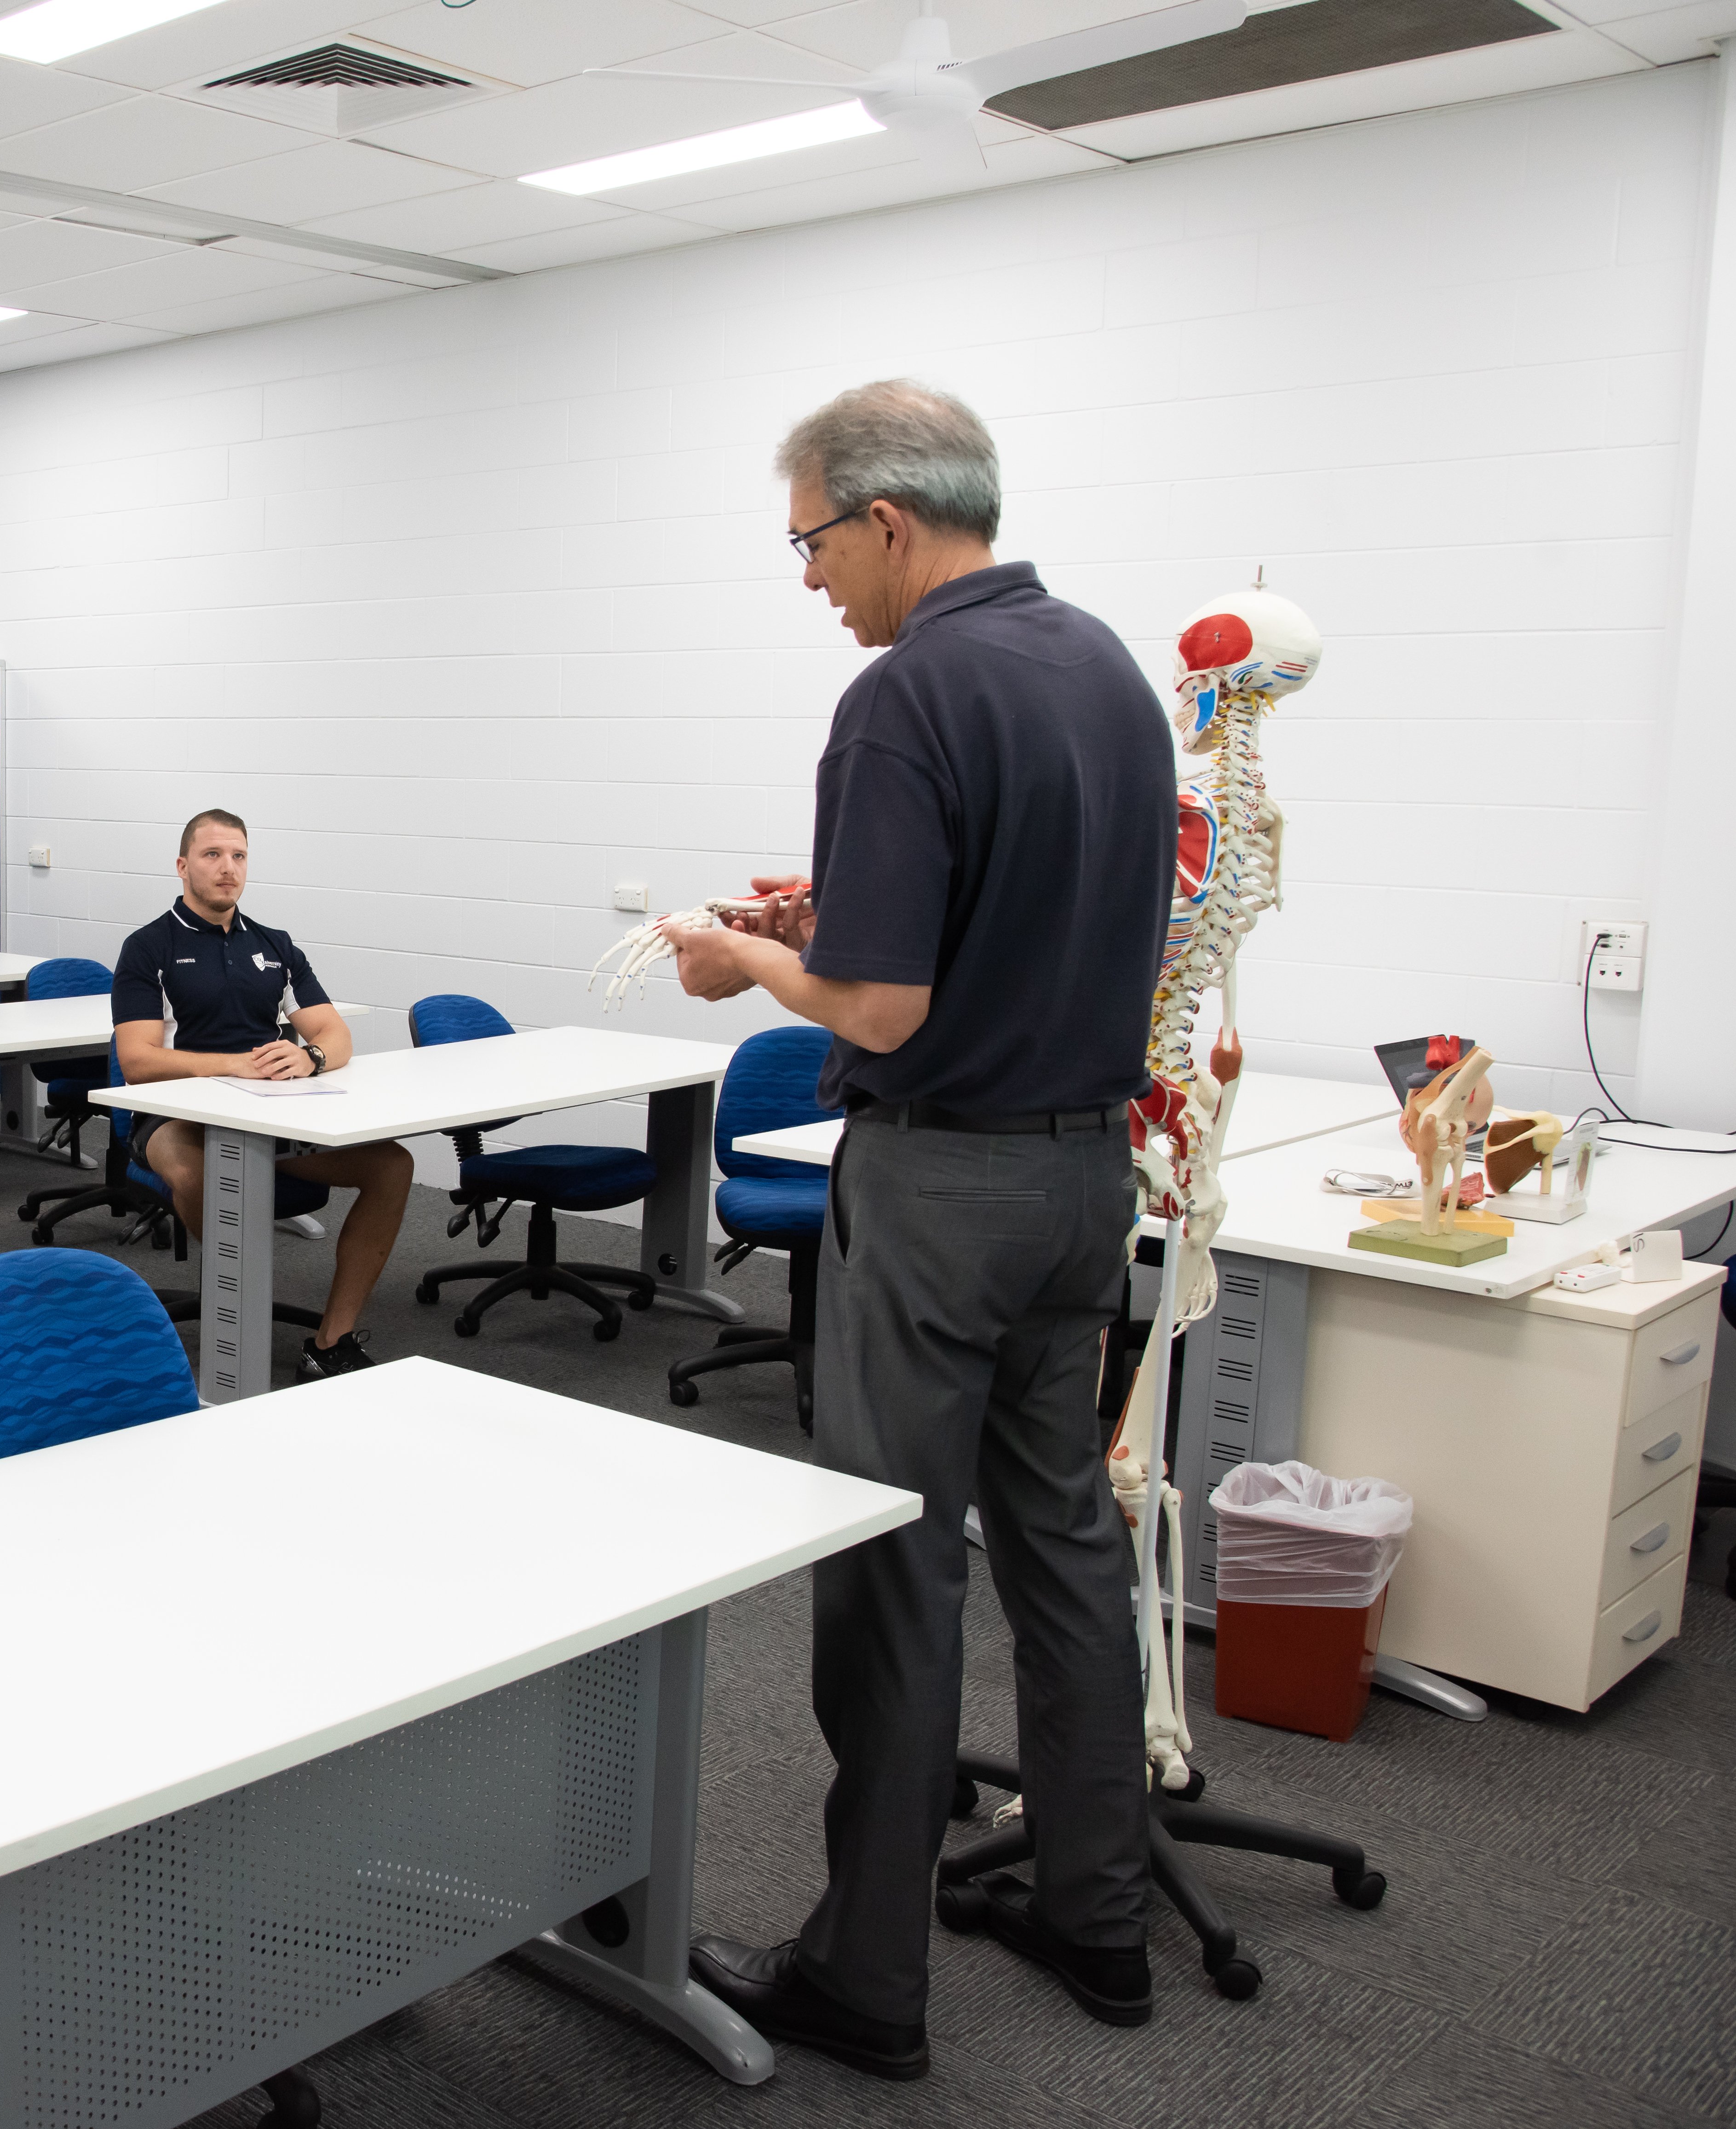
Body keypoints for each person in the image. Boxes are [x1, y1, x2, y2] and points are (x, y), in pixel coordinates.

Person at [662, 380, 1173, 2076]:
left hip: (943, 1184)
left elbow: (877, 1011)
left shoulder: (901, 695)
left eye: (810, 540)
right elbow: (1037, 910)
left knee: (893, 1562)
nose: (808, 577)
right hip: (1084, 1177)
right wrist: (846, 920)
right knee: (1061, 1546)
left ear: (887, 521)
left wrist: (754, 961)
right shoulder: (1105, 668)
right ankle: (1097, 1905)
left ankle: (862, 1973)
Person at [110, 809, 411, 1380]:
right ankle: (237, 1309)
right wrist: (233, 1065)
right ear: (182, 865)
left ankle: (332, 1339)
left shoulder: (274, 943)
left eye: (239, 856)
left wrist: (309, 1056)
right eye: (212, 855)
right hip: (174, 1115)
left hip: (271, 1110)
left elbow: (334, 1033)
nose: (228, 869)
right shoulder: (148, 946)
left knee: (392, 1165)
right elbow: (138, 1060)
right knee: (203, 1174)